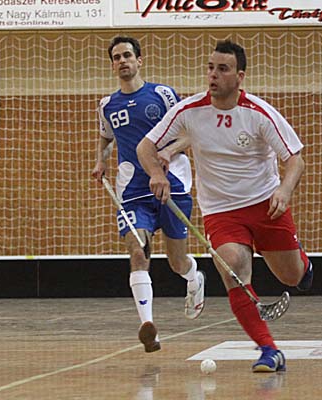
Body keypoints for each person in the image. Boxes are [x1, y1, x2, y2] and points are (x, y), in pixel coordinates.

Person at [137, 40, 314, 372]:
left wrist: (285, 190)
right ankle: (268, 350)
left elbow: (295, 159)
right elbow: (145, 147)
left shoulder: (258, 113)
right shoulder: (189, 110)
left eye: (222, 69)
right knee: (232, 267)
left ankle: (303, 263)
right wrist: (156, 174)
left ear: (239, 76)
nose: (213, 75)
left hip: (266, 205)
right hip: (221, 212)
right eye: (210, 68)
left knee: (292, 276)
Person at [91, 36, 205, 353]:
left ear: (139, 60)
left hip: (172, 184)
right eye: (117, 57)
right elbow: (106, 138)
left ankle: (194, 277)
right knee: (138, 252)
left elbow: (190, 133)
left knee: (176, 262)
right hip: (132, 190)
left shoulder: (163, 94)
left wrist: (168, 151)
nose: (122, 61)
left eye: (127, 55)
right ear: (112, 65)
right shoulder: (107, 105)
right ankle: (148, 327)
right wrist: (100, 160)